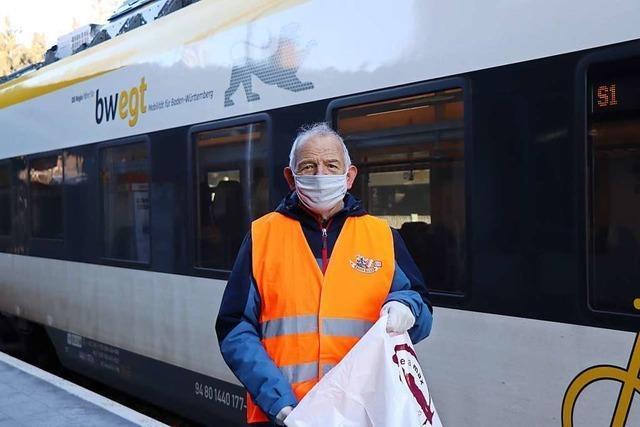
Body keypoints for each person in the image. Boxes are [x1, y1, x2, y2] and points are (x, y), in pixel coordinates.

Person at [215, 123, 433, 426]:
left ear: (350, 176)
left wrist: (408, 307)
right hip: (286, 415)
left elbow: (421, 316)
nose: (320, 175)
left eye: (331, 165)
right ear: (291, 178)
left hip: (361, 414)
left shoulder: (382, 237)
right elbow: (234, 329)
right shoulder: (262, 235)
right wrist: (278, 403)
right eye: (308, 166)